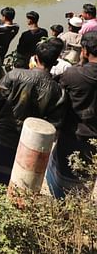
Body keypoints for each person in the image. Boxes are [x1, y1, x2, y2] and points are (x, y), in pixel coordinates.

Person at [0, 41, 65, 185]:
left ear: (35, 58)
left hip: (1, 134)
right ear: (55, 62)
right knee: (16, 182)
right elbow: (55, 123)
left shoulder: (14, 75)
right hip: (29, 144)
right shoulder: (57, 90)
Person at [47, 31, 97, 198]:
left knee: (60, 179)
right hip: (94, 141)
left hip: (72, 136)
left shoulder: (73, 75)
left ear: (84, 51)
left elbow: (53, 94)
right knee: (85, 181)